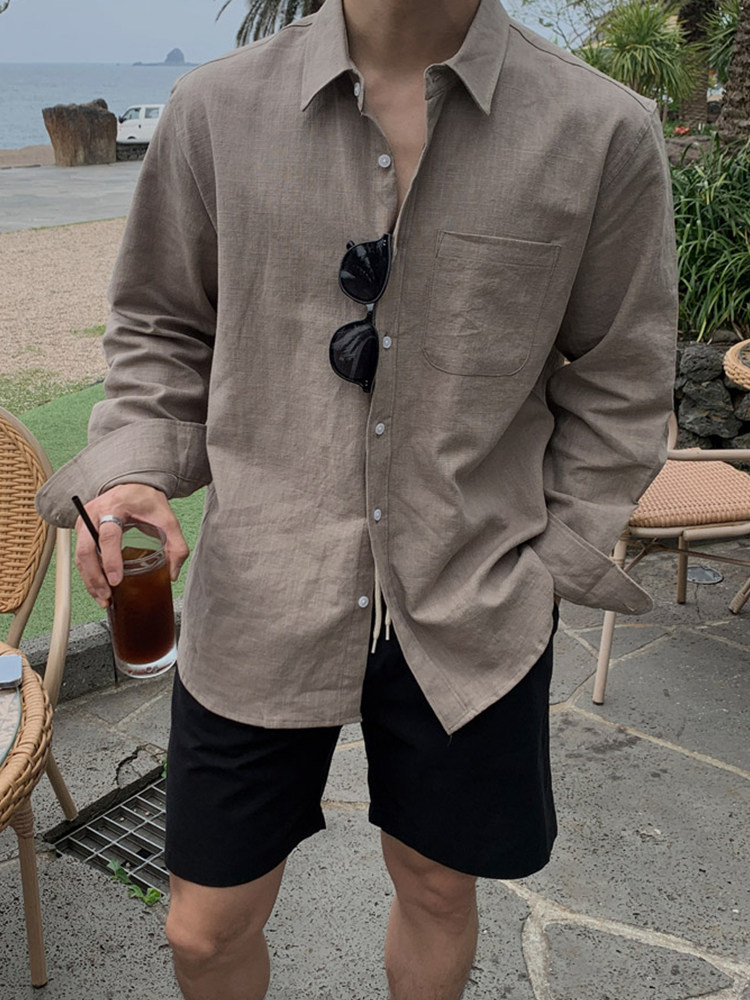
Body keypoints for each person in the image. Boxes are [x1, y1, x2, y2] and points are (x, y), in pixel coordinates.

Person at [36, 0, 678, 997]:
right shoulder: (214, 111)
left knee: (437, 886)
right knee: (204, 927)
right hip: (262, 586)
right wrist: (132, 468)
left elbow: (622, 376)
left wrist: (550, 562)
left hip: (475, 592)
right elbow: (161, 326)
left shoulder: (598, 129)